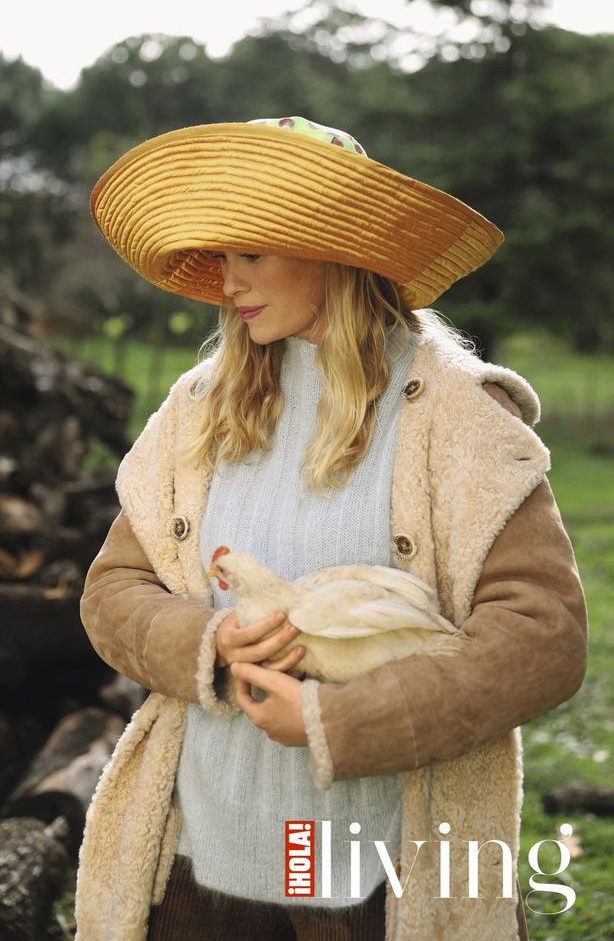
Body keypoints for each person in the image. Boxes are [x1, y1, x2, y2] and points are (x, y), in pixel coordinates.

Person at [74, 116, 587, 941]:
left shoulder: (456, 414)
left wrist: (337, 724)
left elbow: (544, 635)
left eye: (253, 254)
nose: (228, 283)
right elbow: (112, 591)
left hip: (379, 873)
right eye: (223, 257)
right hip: (204, 859)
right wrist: (207, 641)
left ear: (332, 250)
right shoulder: (198, 410)